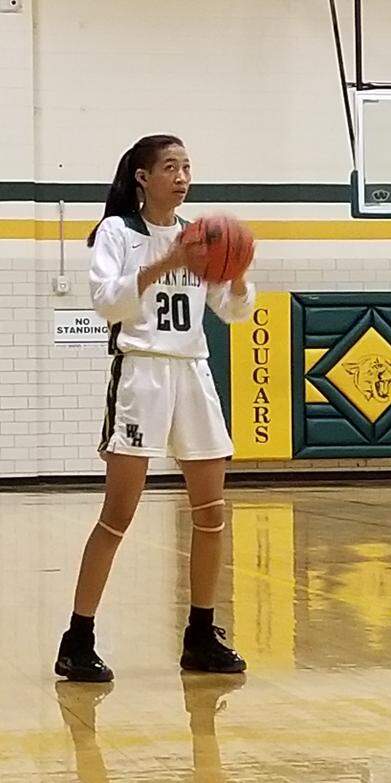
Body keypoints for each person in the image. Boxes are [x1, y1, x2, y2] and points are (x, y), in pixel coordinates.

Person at [54, 135, 255, 683]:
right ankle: (77, 639)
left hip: (192, 371)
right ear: (143, 177)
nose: (182, 176)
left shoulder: (203, 237)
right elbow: (107, 303)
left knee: (211, 514)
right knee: (118, 515)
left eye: (187, 166)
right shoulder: (118, 232)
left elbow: (234, 310)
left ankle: (201, 635)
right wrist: (168, 261)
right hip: (141, 372)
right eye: (171, 167)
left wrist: (236, 270)